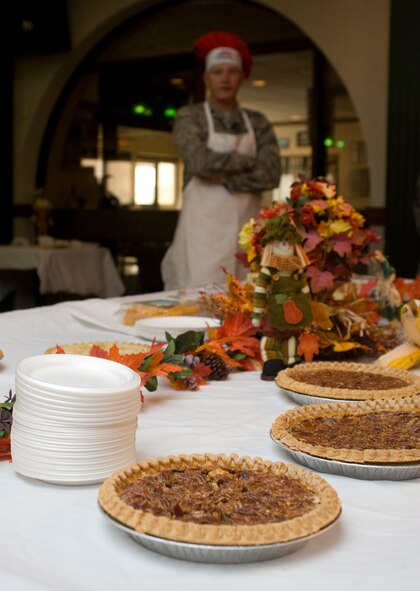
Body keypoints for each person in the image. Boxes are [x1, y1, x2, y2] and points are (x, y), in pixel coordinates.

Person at [161, 31, 281, 291]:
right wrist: (247, 161)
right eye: (218, 72)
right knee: (197, 305)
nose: (225, 79)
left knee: (247, 304)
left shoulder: (257, 122)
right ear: (206, 78)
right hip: (200, 240)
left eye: (231, 71)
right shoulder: (190, 117)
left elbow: (271, 174)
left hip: (246, 237)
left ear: (242, 76)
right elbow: (199, 163)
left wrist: (223, 175)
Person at [252, 214, 313, 380]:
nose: (284, 246)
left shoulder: (297, 271)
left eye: (287, 243)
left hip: (295, 312)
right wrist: (257, 314)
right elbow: (260, 291)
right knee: (271, 337)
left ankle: (292, 360)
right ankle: (273, 360)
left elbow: (304, 289)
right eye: (279, 243)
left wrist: (308, 311)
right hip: (274, 312)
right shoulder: (268, 272)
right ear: (270, 246)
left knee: (292, 336)